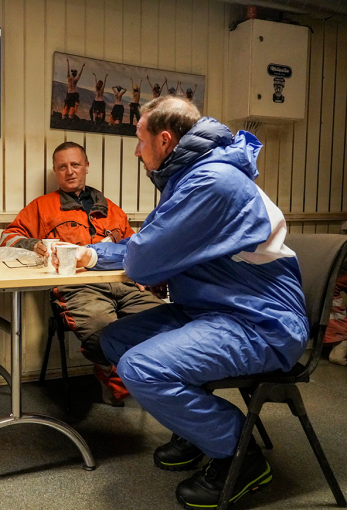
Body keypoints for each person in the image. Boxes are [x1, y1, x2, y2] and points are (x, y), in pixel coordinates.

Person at [54, 97, 309, 508]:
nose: (137, 151)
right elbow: (146, 249)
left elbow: (144, 258)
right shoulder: (190, 177)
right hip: (216, 309)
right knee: (114, 340)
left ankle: (239, 455)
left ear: (165, 140)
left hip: (261, 322)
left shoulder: (211, 183)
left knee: (142, 368)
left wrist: (153, 264)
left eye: (140, 140)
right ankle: (196, 431)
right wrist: (95, 254)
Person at [0, 142, 163, 406]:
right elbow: (7, 236)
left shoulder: (110, 207)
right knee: (101, 329)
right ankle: (111, 376)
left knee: (163, 323)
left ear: (86, 166)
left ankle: (143, 380)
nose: (70, 172)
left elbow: (135, 247)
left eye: (75, 164)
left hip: (124, 284)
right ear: (55, 171)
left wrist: (143, 275)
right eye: (62, 167)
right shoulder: (42, 206)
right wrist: (33, 244)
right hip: (78, 288)